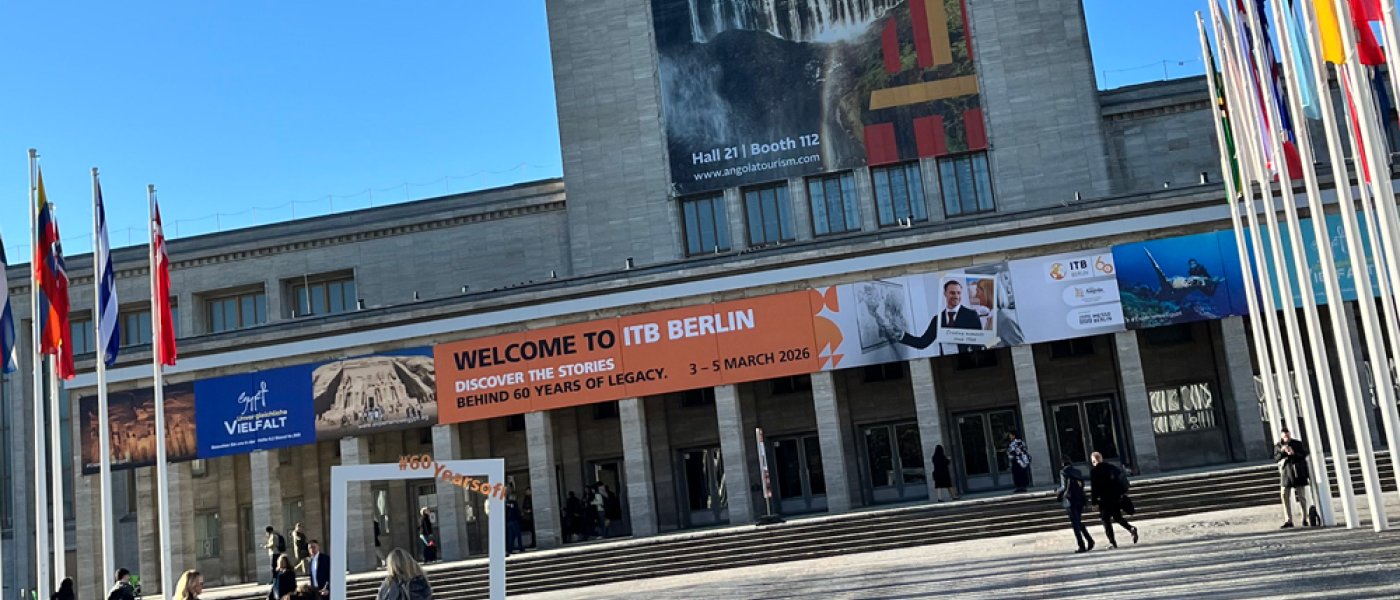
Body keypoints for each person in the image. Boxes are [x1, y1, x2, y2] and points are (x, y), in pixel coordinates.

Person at [887, 279, 984, 354]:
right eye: (952, 293)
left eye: (958, 293)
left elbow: (979, 344)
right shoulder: (938, 319)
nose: (956, 296)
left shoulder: (971, 315)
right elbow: (922, 342)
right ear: (945, 293)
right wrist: (901, 335)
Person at [1090, 452, 1139, 548]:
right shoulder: (1112, 467)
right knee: (1117, 517)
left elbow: (1094, 488)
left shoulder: (1094, 471)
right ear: (1101, 459)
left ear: (1094, 461)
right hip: (1116, 498)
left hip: (1104, 500)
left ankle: (1112, 542)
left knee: (1105, 520)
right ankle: (1131, 528)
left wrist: (1094, 502)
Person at [1274, 427, 1312, 528]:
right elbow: (1276, 458)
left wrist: (1293, 453)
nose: (1286, 437)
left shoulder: (1297, 443)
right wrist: (1283, 452)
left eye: (1288, 435)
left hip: (1297, 471)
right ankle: (1288, 520)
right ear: (1282, 436)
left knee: (1302, 497)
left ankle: (1305, 518)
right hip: (1286, 472)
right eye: (1285, 435)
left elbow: (1304, 454)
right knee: (1284, 495)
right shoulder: (1278, 445)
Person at [1056, 458, 1095, 553]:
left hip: (1070, 500)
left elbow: (1064, 487)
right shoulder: (1078, 471)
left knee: (1075, 523)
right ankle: (1089, 540)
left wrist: (1057, 492)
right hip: (1080, 499)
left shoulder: (1063, 472)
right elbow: (1082, 485)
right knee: (1078, 521)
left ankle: (1082, 545)